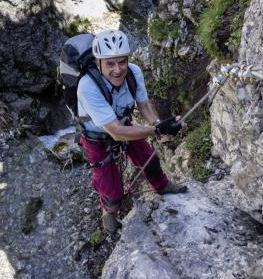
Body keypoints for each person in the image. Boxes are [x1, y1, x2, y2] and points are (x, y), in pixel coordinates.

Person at [77, 30, 187, 233]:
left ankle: (162, 186)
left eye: (122, 62)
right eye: (110, 64)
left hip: (124, 124)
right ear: (98, 63)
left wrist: (159, 124)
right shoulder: (87, 87)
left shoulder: (134, 73)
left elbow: (144, 105)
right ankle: (109, 212)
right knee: (112, 193)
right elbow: (115, 132)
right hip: (97, 139)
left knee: (150, 159)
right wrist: (155, 130)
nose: (118, 70)